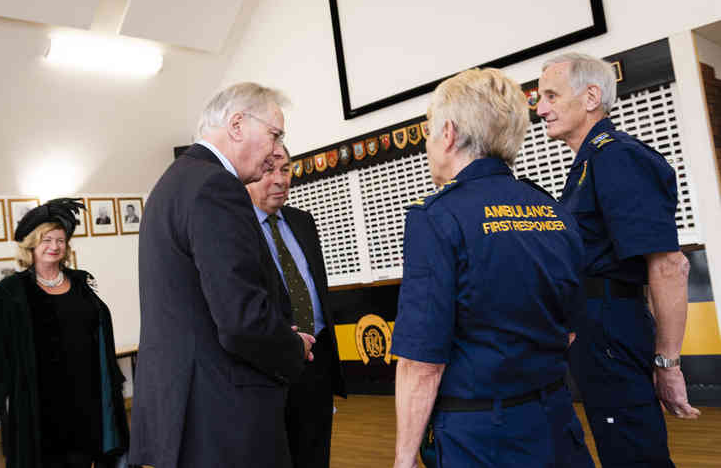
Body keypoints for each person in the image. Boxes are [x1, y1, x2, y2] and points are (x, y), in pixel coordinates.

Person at [392, 68, 594, 468]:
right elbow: (570, 329)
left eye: (430, 131)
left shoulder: (436, 218)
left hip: (482, 438)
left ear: (448, 133)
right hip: (556, 424)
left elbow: (421, 363)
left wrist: (403, 457)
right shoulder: (552, 210)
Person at [129, 82, 315, 468]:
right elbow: (240, 318)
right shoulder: (217, 186)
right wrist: (292, 347)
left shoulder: (173, 183)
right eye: (274, 134)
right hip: (224, 415)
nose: (276, 151)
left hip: (185, 411)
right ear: (236, 125)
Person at [536, 53, 700, 467]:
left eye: (551, 95)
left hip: (612, 329)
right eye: (540, 98)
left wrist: (668, 364)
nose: (540, 109)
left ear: (592, 96)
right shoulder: (590, 161)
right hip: (595, 332)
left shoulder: (617, 157)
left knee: (634, 455)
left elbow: (668, 265)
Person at [0, 198, 129, 468]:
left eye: (60, 240)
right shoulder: (11, 293)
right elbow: (0, 354)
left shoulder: (81, 285)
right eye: (46, 240)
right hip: (38, 407)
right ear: (31, 243)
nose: (54, 246)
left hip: (85, 402)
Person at [246, 143, 346, 467]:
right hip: (273, 371)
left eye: (285, 169)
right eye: (268, 170)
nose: (280, 179)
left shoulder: (302, 221)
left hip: (317, 362)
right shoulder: (236, 231)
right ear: (246, 175)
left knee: (316, 455)